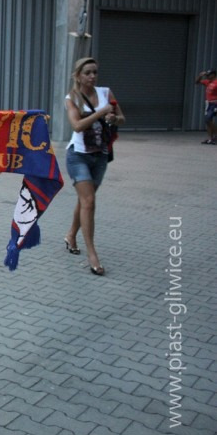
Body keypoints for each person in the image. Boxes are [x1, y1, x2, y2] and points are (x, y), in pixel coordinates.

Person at [63, 57, 125, 276]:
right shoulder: (72, 98)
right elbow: (77, 125)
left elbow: (122, 118)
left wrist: (113, 118)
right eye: (87, 73)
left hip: (100, 156)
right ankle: (92, 254)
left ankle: (71, 235)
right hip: (78, 156)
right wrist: (101, 112)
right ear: (78, 76)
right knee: (89, 202)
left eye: (95, 72)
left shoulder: (106, 93)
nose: (92, 76)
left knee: (85, 201)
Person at [195, 69, 217, 145]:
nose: (207, 76)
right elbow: (197, 82)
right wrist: (200, 76)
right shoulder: (208, 82)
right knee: (208, 121)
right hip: (208, 104)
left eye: (209, 75)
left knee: (208, 119)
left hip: (215, 103)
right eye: (207, 75)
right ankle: (211, 139)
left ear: (213, 75)